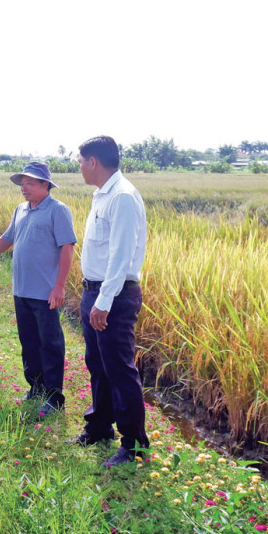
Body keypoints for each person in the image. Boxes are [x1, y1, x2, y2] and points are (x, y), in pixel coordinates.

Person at [0, 162, 76, 416]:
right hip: (21, 289)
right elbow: (7, 239)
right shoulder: (21, 209)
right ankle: (36, 387)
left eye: (30, 182)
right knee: (29, 341)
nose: (24, 187)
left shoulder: (58, 210)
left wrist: (59, 286)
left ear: (45, 185)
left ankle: (54, 397)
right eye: (22, 182)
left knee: (50, 343)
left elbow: (67, 247)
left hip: (45, 292)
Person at [71, 136, 148, 467]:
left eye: (80, 161)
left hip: (112, 295)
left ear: (93, 162)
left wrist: (103, 301)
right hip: (95, 292)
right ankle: (100, 426)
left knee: (119, 369)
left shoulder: (123, 197)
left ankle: (133, 445)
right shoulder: (101, 195)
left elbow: (120, 256)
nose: (78, 167)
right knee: (97, 364)